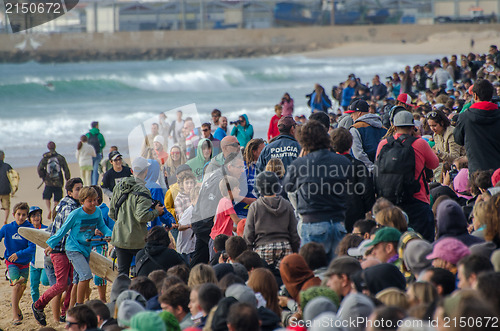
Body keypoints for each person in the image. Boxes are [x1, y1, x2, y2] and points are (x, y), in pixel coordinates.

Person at [284, 120, 352, 260]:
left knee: (313, 271)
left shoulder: (300, 163)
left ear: (303, 141)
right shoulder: (343, 162)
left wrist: (301, 158)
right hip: (338, 223)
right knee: (336, 271)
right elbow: (349, 189)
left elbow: (288, 187)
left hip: (313, 222)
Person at [375, 111, 439, 242]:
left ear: (394, 126)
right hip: (417, 198)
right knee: (424, 242)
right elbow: (434, 164)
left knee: (393, 241)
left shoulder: (384, 144)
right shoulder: (420, 143)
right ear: (412, 127)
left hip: (390, 201)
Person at [45, 187, 112, 305]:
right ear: (82, 202)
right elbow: (63, 229)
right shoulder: (75, 214)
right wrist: (51, 244)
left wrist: (108, 234)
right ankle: (79, 305)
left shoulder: (97, 212)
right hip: (73, 248)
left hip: (86, 248)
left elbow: (102, 226)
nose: (93, 203)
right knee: (86, 275)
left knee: (79, 279)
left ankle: (73, 306)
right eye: (89, 201)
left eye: (95, 200)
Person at [32, 177, 83, 326]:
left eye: (81, 188)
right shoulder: (68, 207)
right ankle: (38, 305)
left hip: (71, 250)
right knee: (61, 285)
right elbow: (67, 230)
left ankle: (64, 314)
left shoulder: (73, 204)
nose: (80, 191)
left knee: (75, 281)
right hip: (59, 250)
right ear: (69, 192)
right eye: (77, 189)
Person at [109, 157, 166, 276]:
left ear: (131, 171)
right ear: (146, 171)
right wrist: (157, 212)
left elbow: (112, 213)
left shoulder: (119, 186)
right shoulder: (143, 191)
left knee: (122, 274)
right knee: (143, 271)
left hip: (119, 237)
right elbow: (141, 216)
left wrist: (124, 222)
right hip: (138, 240)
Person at [190, 153, 247, 267]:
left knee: (201, 259)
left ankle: (192, 278)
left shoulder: (223, 176)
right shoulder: (220, 181)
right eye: (240, 167)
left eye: (243, 167)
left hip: (204, 224)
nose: (242, 170)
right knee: (217, 259)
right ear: (230, 167)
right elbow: (208, 208)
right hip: (204, 225)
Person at [244, 171, 299, 268]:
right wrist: (295, 252)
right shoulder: (287, 204)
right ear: (277, 187)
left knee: (263, 280)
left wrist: (248, 254)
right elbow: (294, 233)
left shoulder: (255, 206)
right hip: (285, 248)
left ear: (259, 189)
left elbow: (248, 234)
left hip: (262, 249)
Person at [330, 127, 375, 232]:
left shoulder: (327, 165)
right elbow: (367, 189)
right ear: (351, 144)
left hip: (333, 211)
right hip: (355, 211)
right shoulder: (358, 165)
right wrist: (369, 209)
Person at [454, 79, 500, 173]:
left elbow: (458, 139)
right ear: (491, 95)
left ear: (475, 95)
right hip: (498, 171)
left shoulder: (465, 117)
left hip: (477, 171)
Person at [0, 202, 35, 325]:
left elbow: (32, 248)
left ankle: (15, 306)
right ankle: (15, 316)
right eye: (19, 214)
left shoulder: (30, 229)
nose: (21, 217)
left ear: (27, 216)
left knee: (22, 287)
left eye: (24, 215)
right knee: (16, 285)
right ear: (14, 214)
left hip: (25, 262)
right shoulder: (7, 228)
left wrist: (18, 254)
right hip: (11, 263)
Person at [346, 99, 387, 172]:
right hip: (384, 170)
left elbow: (358, 154)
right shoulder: (384, 128)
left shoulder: (355, 128)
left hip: (365, 171)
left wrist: (372, 168)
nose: (351, 116)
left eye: (352, 113)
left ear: (359, 113)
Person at [37, 141, 71, 220]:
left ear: (48, 147)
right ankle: (54, 210)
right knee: (57, 198)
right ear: (55, 147)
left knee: (47, 197)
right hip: (58, 181)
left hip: (48, 181)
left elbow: (39, 168)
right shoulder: (60, 157)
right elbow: (66, 169)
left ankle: (49, 209)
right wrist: (67, 178)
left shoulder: (46, 158)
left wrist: (43, 176)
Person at [427, 109, 462, 181]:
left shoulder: (451, 133)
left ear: (442, 123)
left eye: (434, 125)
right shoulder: (436, 134)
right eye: (430, 126)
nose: (432, 128)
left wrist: (438, 153)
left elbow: (455, 157)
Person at [209, 176, 241, 246]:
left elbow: (216, 219)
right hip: (220, 241)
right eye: (237, 188)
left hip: (216, 238)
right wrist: (251, 221)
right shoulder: (227, 203)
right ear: (229, 191)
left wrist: (231, 228)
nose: (239, 190)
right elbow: (237, 221)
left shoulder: (222, 200)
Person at [27, 206, 49, 303]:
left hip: (45, 262)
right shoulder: (27, 230)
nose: (36, 217)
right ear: (29, 219)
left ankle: (45, 299)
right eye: (33, 216)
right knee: (34, 286)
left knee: (45, 281)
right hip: (33, 263)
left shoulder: (47, 229)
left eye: (38, 215)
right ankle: (36, 305)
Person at [86, 121, 106, 186]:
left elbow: (85, 144)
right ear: (96, 126)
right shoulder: (100, 135)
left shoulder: (88, 135)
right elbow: (103, 144)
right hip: (97, 153)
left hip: (90, 155)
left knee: (90, 169)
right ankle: (94, 183)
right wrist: (100, 149)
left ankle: (90, 183)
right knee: (96, 169)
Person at [0, 150, 13, 225]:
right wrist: (13, 189)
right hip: (5, 189)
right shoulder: (7, 166)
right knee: (6, 206)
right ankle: (5, 219)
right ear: (3, 156)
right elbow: (13, 178)